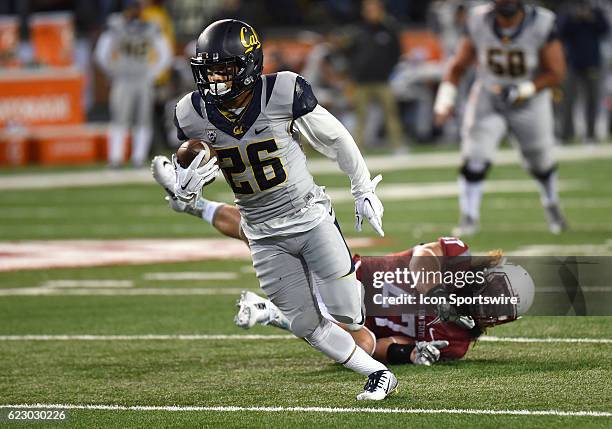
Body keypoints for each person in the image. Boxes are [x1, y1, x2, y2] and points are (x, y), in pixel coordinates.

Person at [168, 19, 397, 400]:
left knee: (347, 313)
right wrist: (185, 184)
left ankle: (340, 294)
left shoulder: (282, 91)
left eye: (224, 69)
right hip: (262, 233)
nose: (215, 80)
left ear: (248, 65)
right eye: (209, 71)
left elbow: (336, 137)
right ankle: (378, 373)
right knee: (307, 324)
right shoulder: (191, 111)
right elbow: (189, 172)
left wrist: (362, 188)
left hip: (309, 216)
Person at [151, 157, 535, 366]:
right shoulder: (457, 257)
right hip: (348, 273)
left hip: (352, 325)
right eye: (485, 297)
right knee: (259, 232)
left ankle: (268, 312)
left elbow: (388, 344)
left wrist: (411, 352)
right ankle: (195, 203)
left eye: (488, 310)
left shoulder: (457, 343)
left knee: (363, 345)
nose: (481, 306)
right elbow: (421, 260)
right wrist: (437, 293)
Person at [433, 0, 567, 236]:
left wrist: (524, 90)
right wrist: (444, 101)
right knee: (475, 157)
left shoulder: (542, 22)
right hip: (489, 96)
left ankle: (551, 203)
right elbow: (457, 66)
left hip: (530, 100)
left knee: (540, 161)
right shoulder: (477, 20)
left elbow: (556, 72)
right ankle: (469, 216)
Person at [94, 0, 172, 168]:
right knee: (119, 119)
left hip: (142, 78)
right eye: (130, 9)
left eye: (135, 9)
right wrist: (113, 71)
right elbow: (101, 53)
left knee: (143, 120)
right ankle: (116, 159)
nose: (133, 13)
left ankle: (138, 158)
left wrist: (152, 73)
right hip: (123, 79)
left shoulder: (150, 26)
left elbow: (165, 53)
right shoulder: (116, 25)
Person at [348, 0, 406, 151]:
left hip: (383, 80)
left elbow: (397, 53)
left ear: (381, 11)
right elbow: (349, 55)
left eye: (373, 9)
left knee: (391, 114)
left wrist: (389, 72)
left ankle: (398, 145)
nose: (370, 12)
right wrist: (353, 74)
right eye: (368, 10)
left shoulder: (389, 30)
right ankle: (357, 150)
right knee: (360, 116)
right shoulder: (358, 31)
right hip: (361, 81)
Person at [558, 1, 609, 143]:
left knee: (592, 99)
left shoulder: (596, 10)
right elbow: (560, 31)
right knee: (568, 100)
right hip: (572, 62)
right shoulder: (568, 9)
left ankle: (590, 135)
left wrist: (590, 18)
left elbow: (604, 29)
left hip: (592, 62)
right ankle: (566, 135)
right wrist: (574, 18)